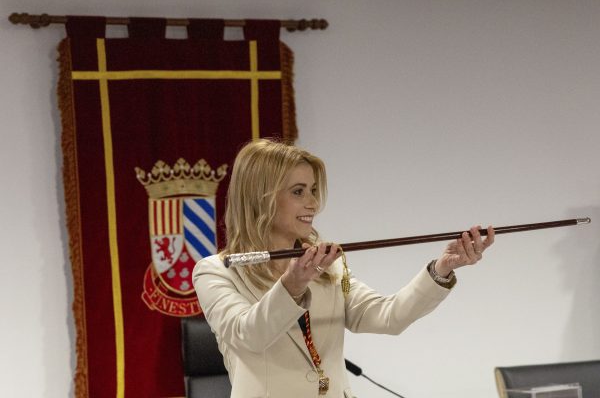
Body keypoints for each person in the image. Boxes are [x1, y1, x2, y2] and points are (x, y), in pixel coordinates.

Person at [192, 139, 494, 398]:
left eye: (313, 190)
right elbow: (248, 337)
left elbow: (387, 316)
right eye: (298, 191)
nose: (313, 203)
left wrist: (441, 270)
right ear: (262, 198)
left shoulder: (329, 268)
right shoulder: (216, 272)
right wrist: (291, 287)